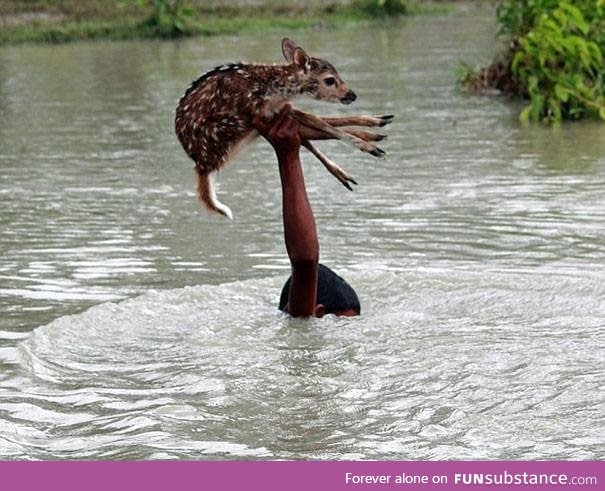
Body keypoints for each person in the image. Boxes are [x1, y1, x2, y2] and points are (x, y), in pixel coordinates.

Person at [255, 104, 360, 318]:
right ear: (318, 312)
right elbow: (305, 262)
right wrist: (288, 157)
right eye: (343, 325)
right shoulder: (303, 322)